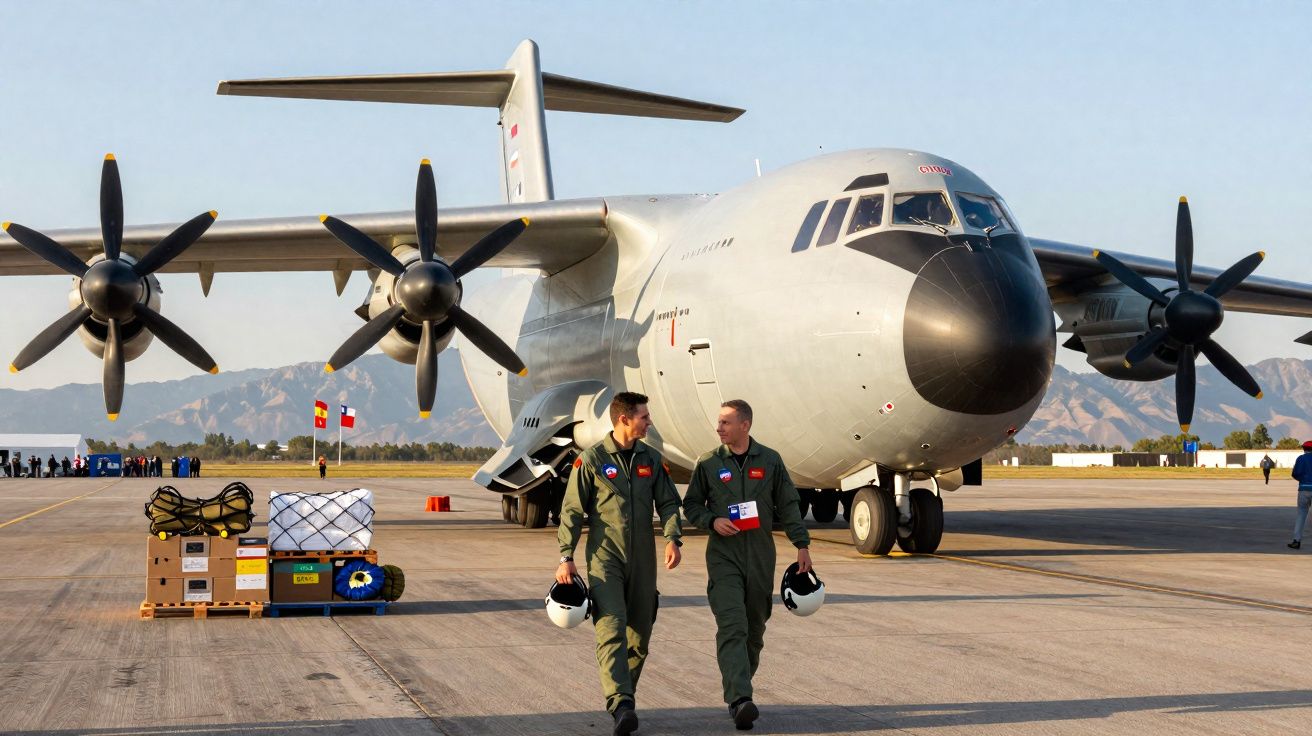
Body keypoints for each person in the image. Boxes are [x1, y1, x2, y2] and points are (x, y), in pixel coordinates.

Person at [556, 391, 683, 736]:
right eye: (644, 416)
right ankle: (620, 703)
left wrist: (673, 537)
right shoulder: (592, 460)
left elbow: (669, 503)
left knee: (639, 637)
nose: (649, 421)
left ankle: (624, 695)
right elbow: (571, 510)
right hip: (604, 558)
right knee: (611, 630)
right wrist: (566, 556)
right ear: (624, 419)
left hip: (644, 559)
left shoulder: (651, 459)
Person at [682, 399, 811, 731]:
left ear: (745, 425)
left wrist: (802, 545)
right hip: (724, 555)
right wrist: (712, 521)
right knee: (733, 625)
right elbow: (692, 505)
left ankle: (738, 686)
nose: (719, 427)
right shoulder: (709, 463)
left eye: (726, 422)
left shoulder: (770, 461)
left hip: (760, 555)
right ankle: (740, 698)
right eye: (719, 422)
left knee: (755, 628)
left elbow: (789, 503)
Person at [1289, 441, 1312, 550]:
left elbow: (1295, 473)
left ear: (1304, 449)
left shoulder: (1300, 459)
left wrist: (1302, 480)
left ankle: (1296, 541)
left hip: (1303, 489)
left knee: (1301, 515)